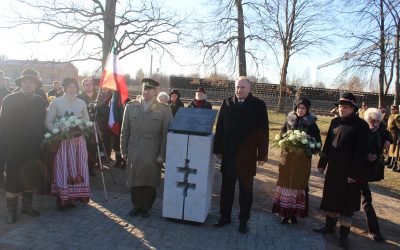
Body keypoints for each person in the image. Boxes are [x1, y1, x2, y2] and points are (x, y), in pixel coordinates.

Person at [213, 76, 269, 234]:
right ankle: (225, 217)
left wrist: (262, 154)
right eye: (237, 87)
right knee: (226, 188)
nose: (239, 90)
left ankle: (243, 221)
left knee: (246, 191)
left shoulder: (258, 105)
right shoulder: (227, 103)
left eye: (242, 87)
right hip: (229, 155)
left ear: (249, 88)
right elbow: (220, 128)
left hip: (248, 157)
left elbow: (263, 131)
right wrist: (218, 149)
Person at [313, 92, 369, 249]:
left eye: (345, 107)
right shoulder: (335, 122)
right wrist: (322, 163)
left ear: (353, 108)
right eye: (339, 106)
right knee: (331, 198)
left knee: (346, 205)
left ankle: (344, 235)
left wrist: (354, 174)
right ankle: (329, 227)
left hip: (349, 173)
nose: (341, 109)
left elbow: (361, 153)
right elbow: (328, 145)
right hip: (333, 170)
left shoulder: (361, 126)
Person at [0, 68, 47, 224]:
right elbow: (3, 126)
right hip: (14, 148)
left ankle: (27, 207)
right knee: (12, 181)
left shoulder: (40, 101)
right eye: (25, 82)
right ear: (21, 83)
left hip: (33, 148)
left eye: (31, 82)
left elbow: (43, 124)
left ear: (36, 85)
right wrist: (4, 149)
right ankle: (11, 211)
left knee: (30, 178)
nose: (28, 85)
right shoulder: (9, 100)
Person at [121, 78, 172, 218]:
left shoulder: (163, 109)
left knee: (149, 180)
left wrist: (162, 154)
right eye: (144, 88)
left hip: (152, 151)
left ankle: (146, 207)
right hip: (134, 149)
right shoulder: (131, 106)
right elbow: (125, 131)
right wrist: (123, 150)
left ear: (155, 91)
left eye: (149, 89)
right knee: (135, 179)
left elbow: (165, 134)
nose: (146, 91)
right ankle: (136, 205)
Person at [272, 98, 321, 224]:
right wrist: (284, 140)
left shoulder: (312, 125)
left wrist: (308, 145)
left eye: (303, 108)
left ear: (307, 110)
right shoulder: (289, 121)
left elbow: (318, 143)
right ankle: (284, 213)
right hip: (287, 158)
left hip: (302, 160)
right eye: (298, 108)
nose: (300, 110)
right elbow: (281, 134)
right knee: (285, 183)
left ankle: (294, 214)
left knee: (298, 184)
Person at [45, 77, 91, 210]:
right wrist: (58, 131)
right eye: (70, 86)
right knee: (63, 167)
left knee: (78, 167)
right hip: (63, 142)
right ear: (64, 87)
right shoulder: (56, 102)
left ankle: (73, 197)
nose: (73, 89)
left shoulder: (81, 103)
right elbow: (48, 121)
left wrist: (81, 127)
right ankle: (62, 197)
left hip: (78, 142)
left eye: (75, 87)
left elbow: (86, 121)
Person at [361, 108, 391, 242]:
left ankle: (374, 231)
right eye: (373, 121)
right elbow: (352, 148)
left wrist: (388, 141)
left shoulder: (381, 127)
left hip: (368, 170)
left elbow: (388, 134)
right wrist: (365, 155)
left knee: (367, 198)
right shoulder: (360, 128)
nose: (376, 124)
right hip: (355, 168)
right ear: (367, 120)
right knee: (345, 195)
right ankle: (333, 223)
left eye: (378, 122)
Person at [0, 71, 11, 187]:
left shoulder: (9, 94)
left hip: (5, 128)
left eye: (2, 78)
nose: (0, 80)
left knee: (2, 154)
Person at [386, 105, 400, 172]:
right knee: (390, 149)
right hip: (390, 133)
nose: (392, 110)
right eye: (391, 109)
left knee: (395, 149)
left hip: (395, 134)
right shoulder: (390, 115)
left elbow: (399, 126)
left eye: (393, 109)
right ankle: (390, 162)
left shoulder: (397, 116)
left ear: (396, 109)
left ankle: (394, 163)